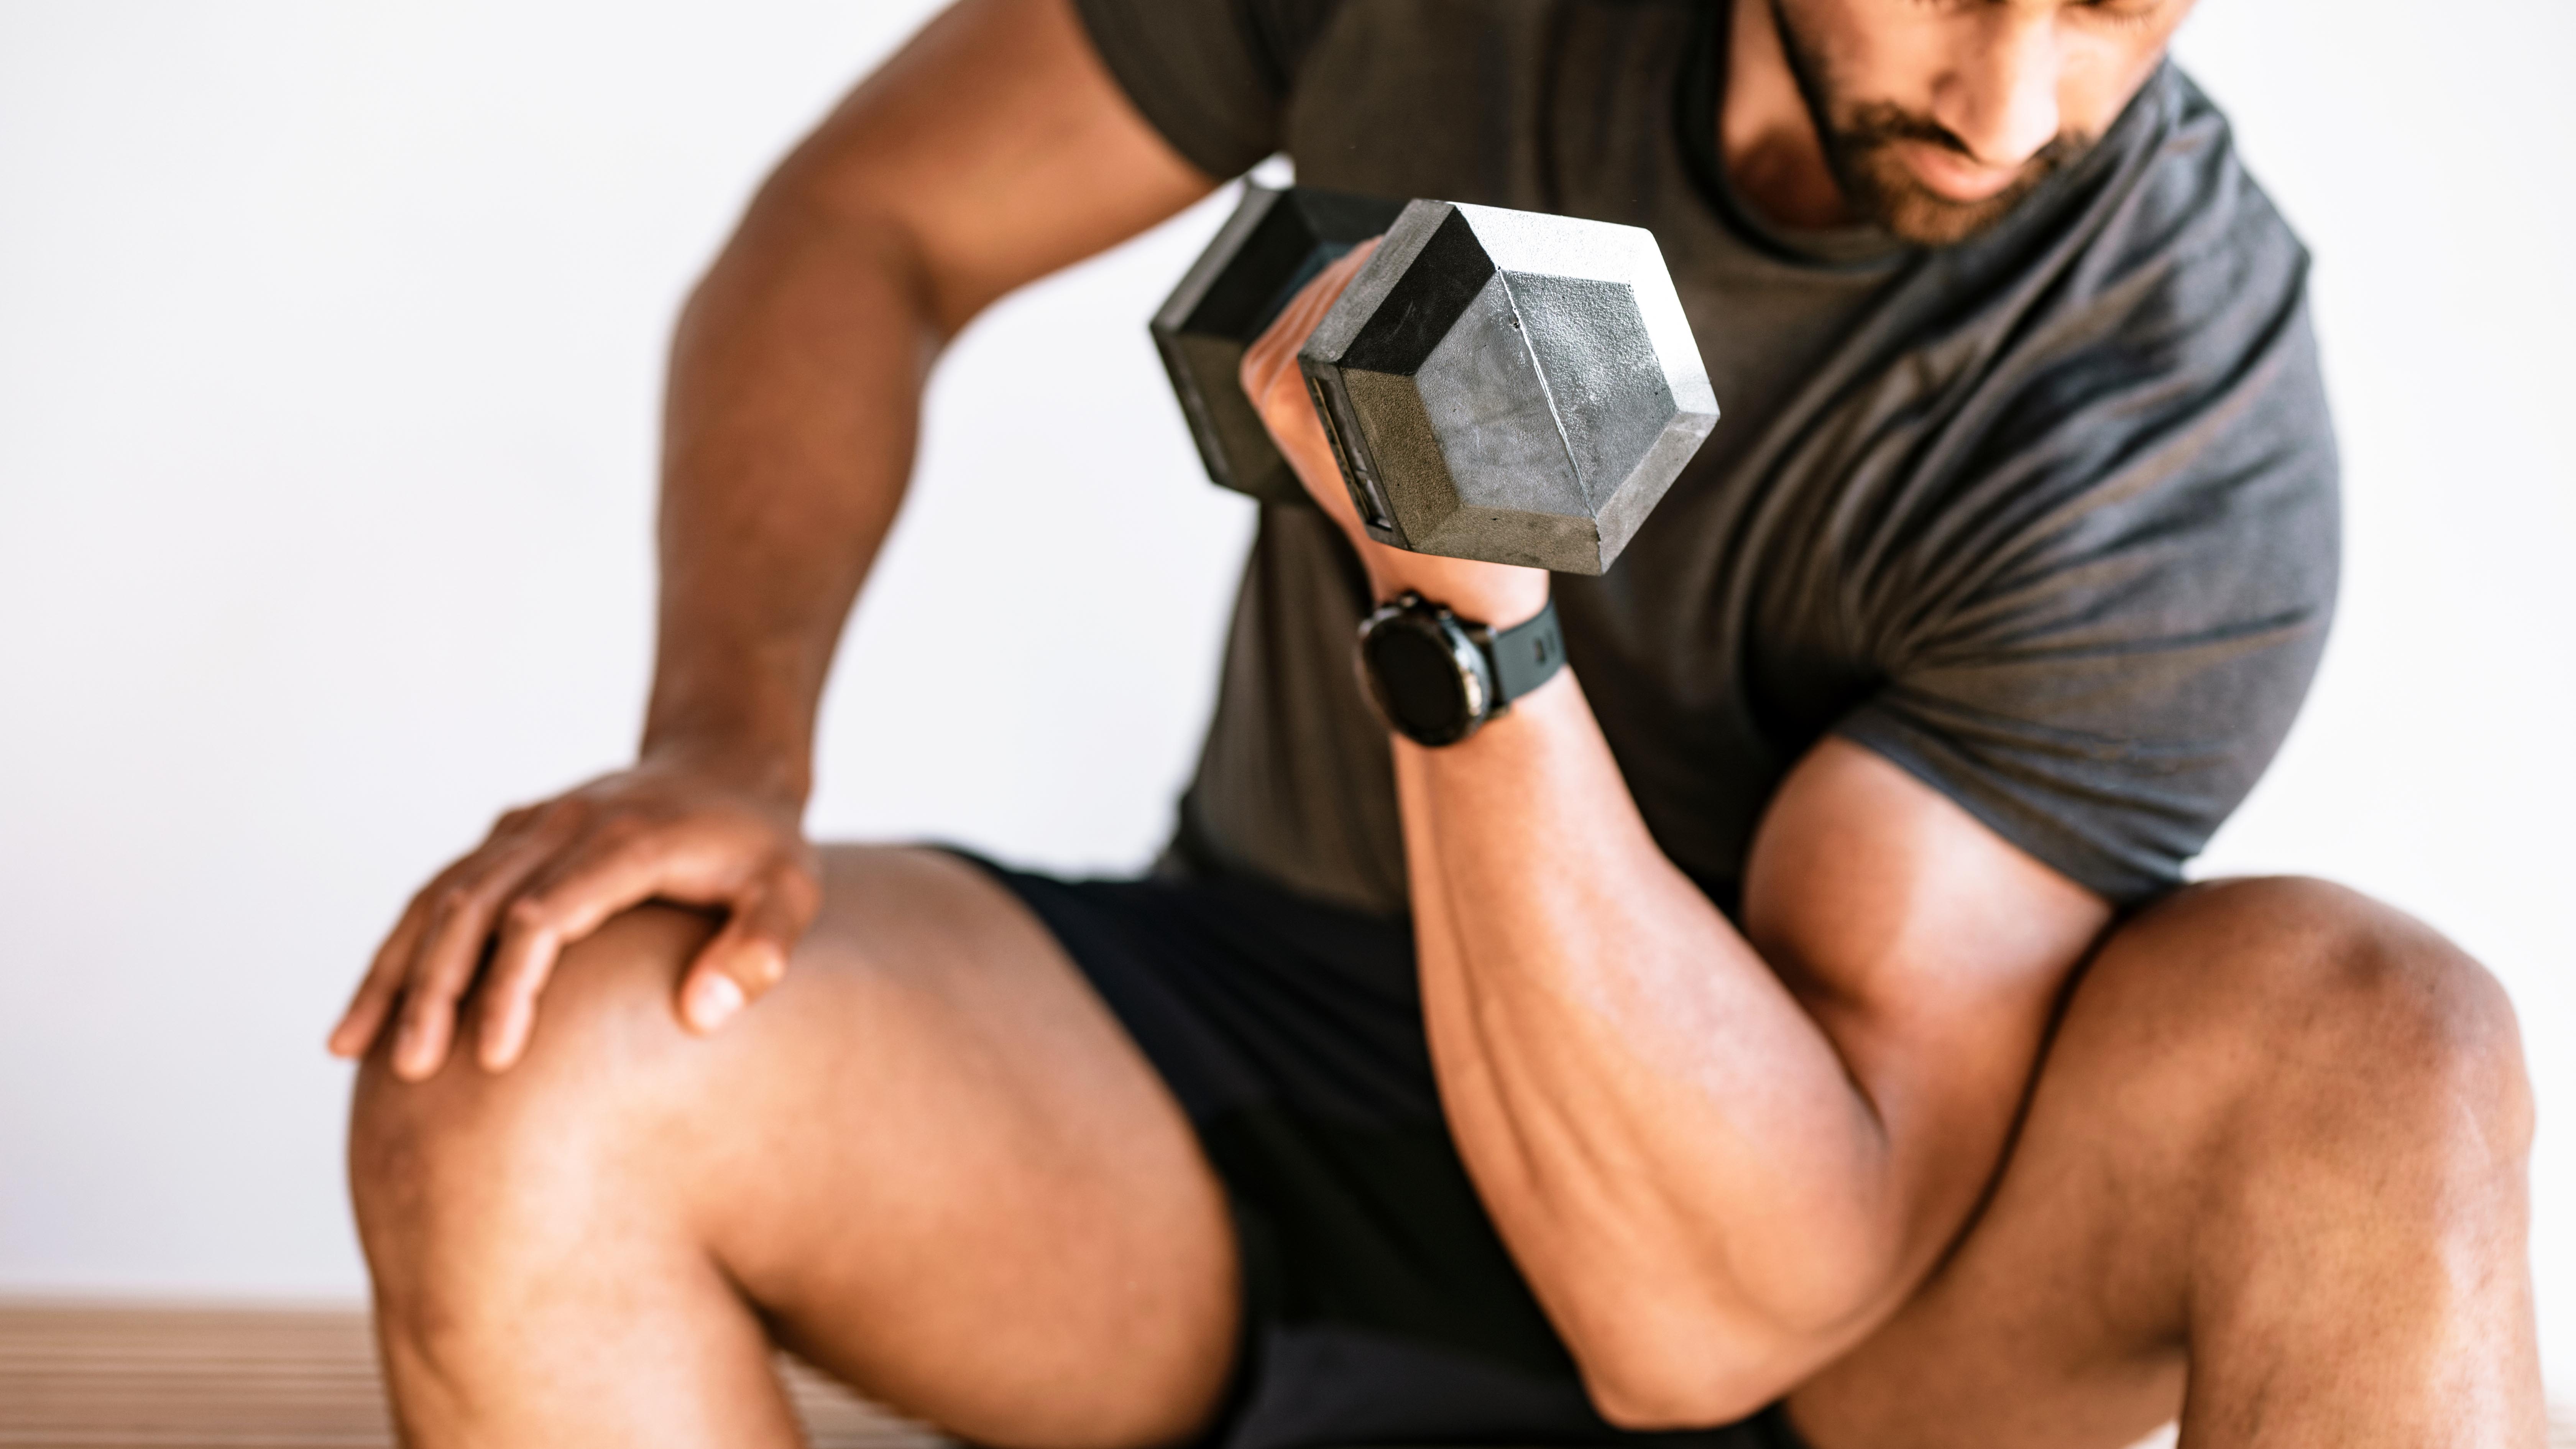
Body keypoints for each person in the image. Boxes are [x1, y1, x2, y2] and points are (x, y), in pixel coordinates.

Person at [328, 0, 2545, 1444]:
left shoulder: (2178, 412)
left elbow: (1708, 1322)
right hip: (1247, 1088)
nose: (2012, 106)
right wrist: (727, 745)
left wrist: (1460, 609)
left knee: (2389, 1043)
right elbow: (870, 219)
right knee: (533, 1062)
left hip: (1836, 1286)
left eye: (2116, 6)